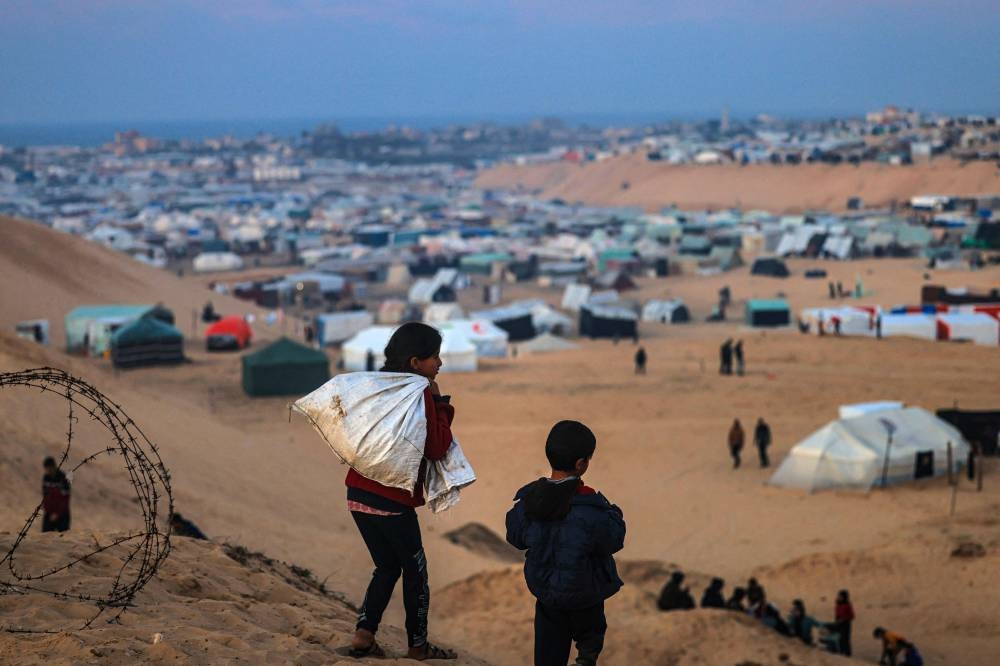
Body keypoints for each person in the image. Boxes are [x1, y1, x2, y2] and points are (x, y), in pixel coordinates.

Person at [346, 322, 457, 661]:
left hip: (357, 493)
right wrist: (440, 403)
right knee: (416, 573)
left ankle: (364, 636)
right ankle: (418, 647)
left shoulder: (379, 385)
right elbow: (437, 447)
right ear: (414, 363)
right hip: (391, 500)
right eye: (433, 357)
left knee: (386, 567)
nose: (439, 363)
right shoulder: (418, 392)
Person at [506, 420, 626, 666]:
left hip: (546, 592)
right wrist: (614, 512)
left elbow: (515, 536)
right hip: (584, 593)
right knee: (592, 626)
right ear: (581, 464)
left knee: (549, 647)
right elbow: (614, 539)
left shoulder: (531, 500)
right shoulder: (591, 507)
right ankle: (587, 654)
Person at [42, 457, 71, 532]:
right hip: (49, 514)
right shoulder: (46, 478)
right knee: (45, 537)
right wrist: (49, 511)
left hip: (63, 514)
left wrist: (57, 513)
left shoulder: (63, 478)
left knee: (63, 537)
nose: (47, 471)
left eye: (49, 468)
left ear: (53, 466)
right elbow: (45, 497)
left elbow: (65, 499)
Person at [834, 589, 855, 656]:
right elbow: (837, 614)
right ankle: (841, 653)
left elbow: (852, 615)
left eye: (841, 596)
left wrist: (844, 619)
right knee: (839, 638)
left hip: (846, 624)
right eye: (839, 596)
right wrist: (836, 622)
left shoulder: (847, 605)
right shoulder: (837, 604)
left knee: (845, 639)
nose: (839, 597)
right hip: (838, 623)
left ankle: (847, 654)